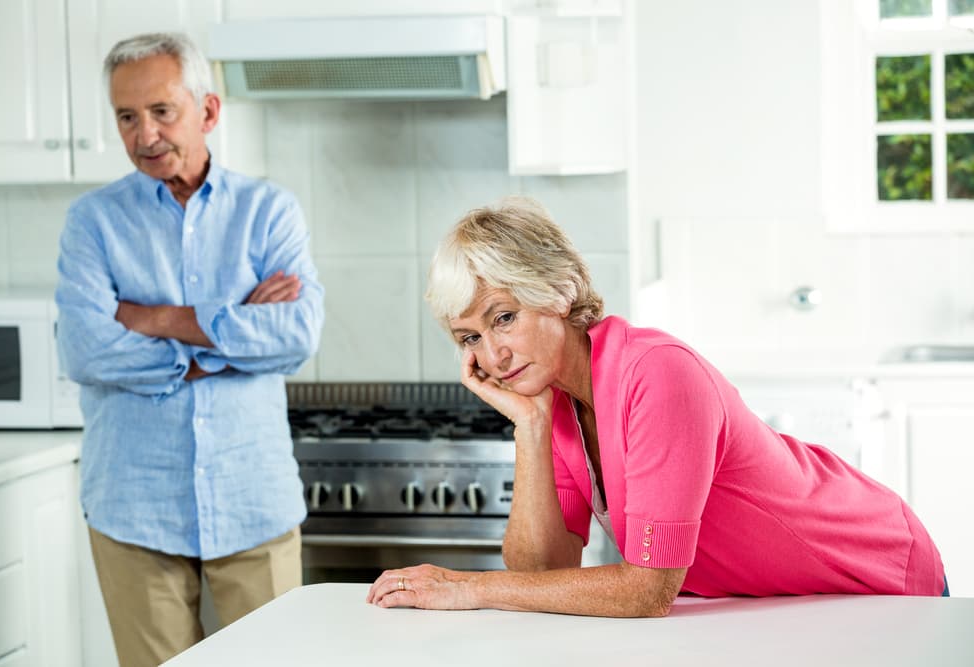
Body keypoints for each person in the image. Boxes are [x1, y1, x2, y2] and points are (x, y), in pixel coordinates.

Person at [366, 196, 946, 617]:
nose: (492, 354)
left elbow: (647, 591)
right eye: (469, 338)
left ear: (561, 289)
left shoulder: (656, 373)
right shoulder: (558, 400)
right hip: (779, 609)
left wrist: (469, 588)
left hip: (877, 575)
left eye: (504, 317)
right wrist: (531, 428)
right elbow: (541, 574)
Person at [55, 32, 324, 665]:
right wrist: (228, 335)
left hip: (252, 498)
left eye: (161, 112)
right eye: (126, 116)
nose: (144, 134)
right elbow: (88, 352)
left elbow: (296, 335)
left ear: (207, 111)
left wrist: (154, 318)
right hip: (132, 505)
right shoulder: (92, 222)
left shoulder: (269, 212)